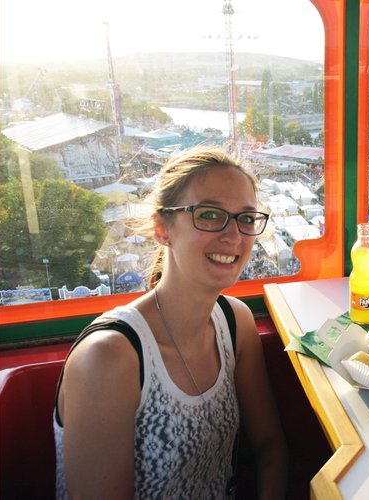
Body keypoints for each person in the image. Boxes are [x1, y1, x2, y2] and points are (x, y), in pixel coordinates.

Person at [54, 146, 288, 498]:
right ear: (162, 228)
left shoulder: (235, 323)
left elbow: (271, 447)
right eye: (209, 215)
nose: (234, 236)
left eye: (246, 218)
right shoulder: (109, 358)